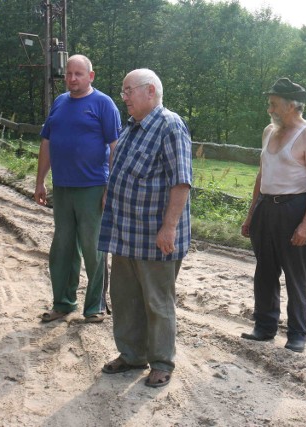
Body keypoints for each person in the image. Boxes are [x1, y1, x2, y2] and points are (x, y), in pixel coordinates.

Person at [98, 69, 192, 388]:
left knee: (157, 301)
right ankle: (132, 355)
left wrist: (169, 228)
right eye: (123, 92)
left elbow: (181, 182)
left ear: (149, 91)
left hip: (155, 236)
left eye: (128, 91)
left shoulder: (170, 126)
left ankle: (162, 362)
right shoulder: (131, 128)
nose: (123, 97)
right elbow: (119, 172)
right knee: (125, 298)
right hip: (125, 233)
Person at [240, 77, 306, 353]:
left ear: (291, 106)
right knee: (264, 270)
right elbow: (262, 174)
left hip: (294, 210)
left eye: (274, 104)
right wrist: (251, 214)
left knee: (295, 274)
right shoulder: (269, 131)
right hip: (266, 208)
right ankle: (264, 326)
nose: (270, 110)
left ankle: (298, 333)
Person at [34, 54, 121, 324]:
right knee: (62, 247)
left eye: (78, 74)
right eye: (69, 74)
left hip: (93, 188)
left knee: (93, 248)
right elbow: (47, 143)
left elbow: (115, 148)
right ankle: (62, 303)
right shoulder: (59, 103)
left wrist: (110, 188)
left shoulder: (103, 104)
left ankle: (94, 306)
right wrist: (40, 180)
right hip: (62, 188)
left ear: (90, 76)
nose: (72, 78)